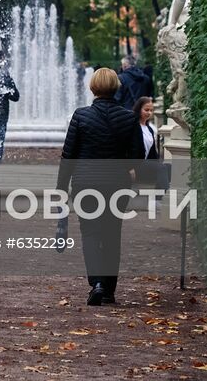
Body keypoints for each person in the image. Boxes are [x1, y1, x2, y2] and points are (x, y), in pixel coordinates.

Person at [56, 67, 145, 306]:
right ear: (116, 87)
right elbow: (138, 155)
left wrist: (61, 189)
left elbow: (69, 156)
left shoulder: (81, 116)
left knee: (91, 232)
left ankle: (96, 283)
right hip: (117, 184)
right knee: (112, 233)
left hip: (86, 184)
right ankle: (109, 290)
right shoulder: (128, 117)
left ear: (92, 87)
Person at [133, 96, 167, 189]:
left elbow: (152, 152)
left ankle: (158, 197)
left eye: (151, 110)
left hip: (146, 163)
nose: (149, 113)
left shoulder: (150, 129)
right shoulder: (133, 126)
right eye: (146, 110)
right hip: (135, 165)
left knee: (169, 167)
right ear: (139, 109)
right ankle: (157, 199)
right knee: (162, 168)